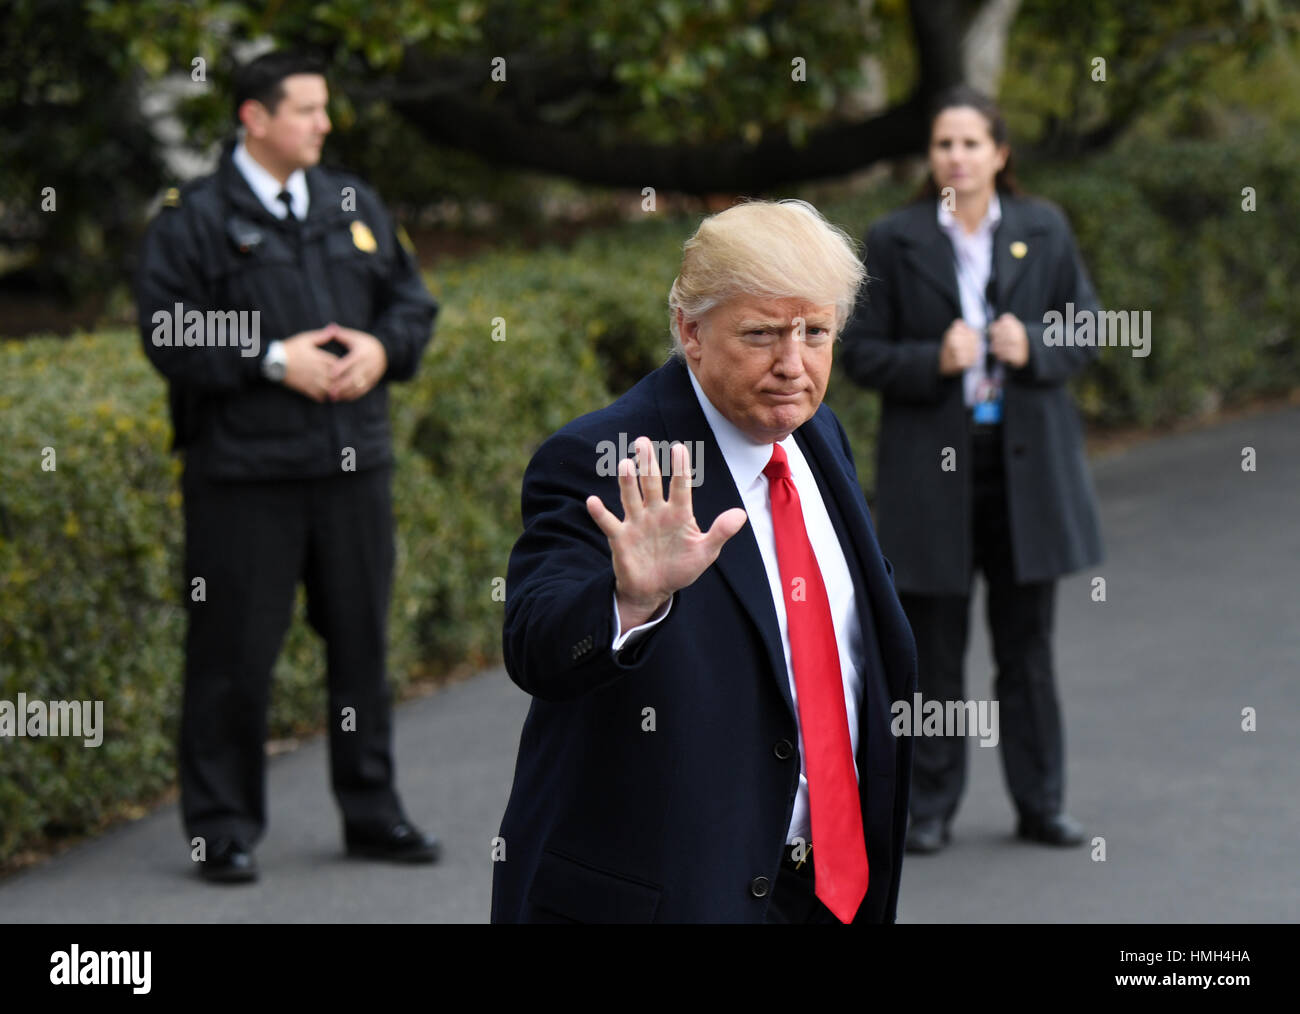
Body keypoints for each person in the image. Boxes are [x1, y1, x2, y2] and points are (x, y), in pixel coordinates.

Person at [491, 200, 918, 924]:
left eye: (816, 332)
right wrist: (629, 602)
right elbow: (536, 645)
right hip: (671, 897)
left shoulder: (819, 438)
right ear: (689, 330)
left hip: (827, 891)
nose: (793, 365)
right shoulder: (609, 458)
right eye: (760, 335)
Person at [136, 51, 440, 883]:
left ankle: (374, 814)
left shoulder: (352, 201)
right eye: (306, 109)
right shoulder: (192, 216)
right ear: (254, 118)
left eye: (323, 108)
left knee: (361, 648)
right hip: (244, 477)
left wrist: (382, 346)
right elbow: (166, 329)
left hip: (353, 467)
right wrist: (272, 359)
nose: (324, 123)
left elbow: (412, 301)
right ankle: (222, 829)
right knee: (233, 657)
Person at [840, 85, 1104, 854]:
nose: (955, 156)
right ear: (931, 157)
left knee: (1028, 648)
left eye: (970, 143)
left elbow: (1083, 327)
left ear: (1000, 153)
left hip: (1028, 469)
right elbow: (856, 352)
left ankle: (1042, 802)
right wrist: (933, 359)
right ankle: (928, 807)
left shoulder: (1043, 228)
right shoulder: (892, 239)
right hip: (933, 470)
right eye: (943, 144)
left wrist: (1037, 350)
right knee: (935, 649)